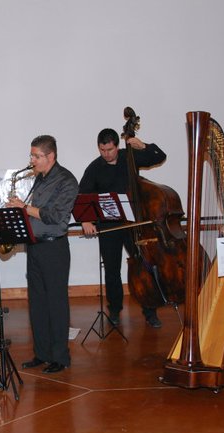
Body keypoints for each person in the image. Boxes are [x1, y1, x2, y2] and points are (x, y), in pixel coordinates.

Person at [78, 127, 167, 328]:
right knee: (112, 269)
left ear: (117, 146)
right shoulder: (94, 168)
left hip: (135, 223)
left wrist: (143, 146)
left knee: (144, 266)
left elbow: (159, 156)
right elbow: (83, 195)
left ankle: (150, 310)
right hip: (109, 226)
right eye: (102, 150)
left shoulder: (130, 157)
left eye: (109, 149)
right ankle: (115, 310)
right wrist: (86, 220)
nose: (106, 154)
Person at [7, 135, 79, 374]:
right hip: (35, 246)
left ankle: (60, 357)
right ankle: (42, 353)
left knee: (56, 304)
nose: (32, 160)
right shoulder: (39, 178)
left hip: (54, 248)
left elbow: (54, 216)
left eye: (36, 156)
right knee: (37, 303)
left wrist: (24, 208)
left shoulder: (67, 180)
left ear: (51, 156)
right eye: (31, 155)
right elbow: (34, 212)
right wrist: (18, 209)